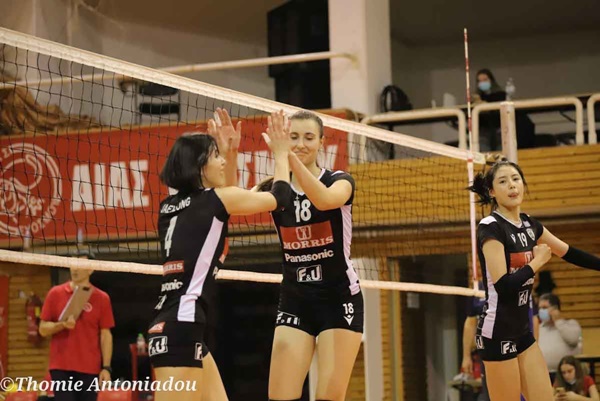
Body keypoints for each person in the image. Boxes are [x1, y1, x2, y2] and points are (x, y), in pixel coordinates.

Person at [147, 109, 292, 401]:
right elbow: (281, 198)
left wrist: (229, 151)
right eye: (216, 156)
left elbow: (224, 202)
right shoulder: (216, 200)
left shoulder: (168, 207)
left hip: (177, 324)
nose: (222, 161)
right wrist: (280, 153)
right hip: (182, 326)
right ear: (201, 165)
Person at [467, 155, 600, 401]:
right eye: (503, 181)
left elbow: (569, 252)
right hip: (497, 332)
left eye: (515, 179)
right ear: (492, 191)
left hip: (523, 332)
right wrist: (537, 262)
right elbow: (504, 286)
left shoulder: (530, 225)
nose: (512, 185)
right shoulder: (490, 227)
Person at [257, 111, 363, 401]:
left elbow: (325, 200)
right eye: (293, 137)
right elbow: (229, 203)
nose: (301, 144)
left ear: (321, 142)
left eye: (308, 137)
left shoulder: (340, 180)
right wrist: (229, 152)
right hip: (296, 299)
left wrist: (287, 157)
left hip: (338, 299)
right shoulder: (275, 189)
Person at [39, 261, 115, 401]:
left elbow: (106, 334)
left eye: (79, 265)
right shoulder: (55, 293)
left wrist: (106, 367)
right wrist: (62, 325)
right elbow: (42, 329)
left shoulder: (101, 298)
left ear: (90, 269)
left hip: (90, 368)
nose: (75, 269)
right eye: (72, 264)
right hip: (61, 367)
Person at [474, 69, 535, 150]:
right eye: (480, 81)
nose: (482, 83)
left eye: (485, 80)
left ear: (491, 80)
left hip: (500, 128)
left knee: (503, 148)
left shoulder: (501, 95)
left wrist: (485, 104)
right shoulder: (476, 97)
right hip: (484, 130)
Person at [539, 293, 583, 382]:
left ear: (555, 309)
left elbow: (573, 340)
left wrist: (558, 321)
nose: (541, 311)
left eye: (544, 307)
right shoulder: (539, 329)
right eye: (539, 308)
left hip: (565, 376)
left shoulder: (571, 324)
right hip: (543, 375)